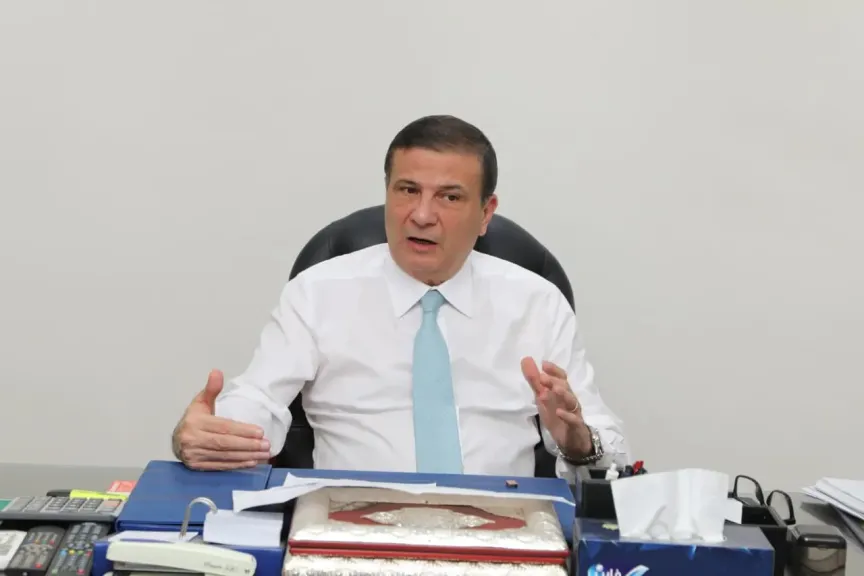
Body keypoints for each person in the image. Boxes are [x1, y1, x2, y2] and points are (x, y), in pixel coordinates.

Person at [172, 114, 629, 479]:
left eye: (449, 197)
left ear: (485, 212)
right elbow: (259, 400)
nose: (422, 215)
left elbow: (609, 448)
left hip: (503, 528)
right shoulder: (318, 292)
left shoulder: (537, 303)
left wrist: (579, 442)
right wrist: (210, 434)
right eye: (408, 190)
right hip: (351, 526)